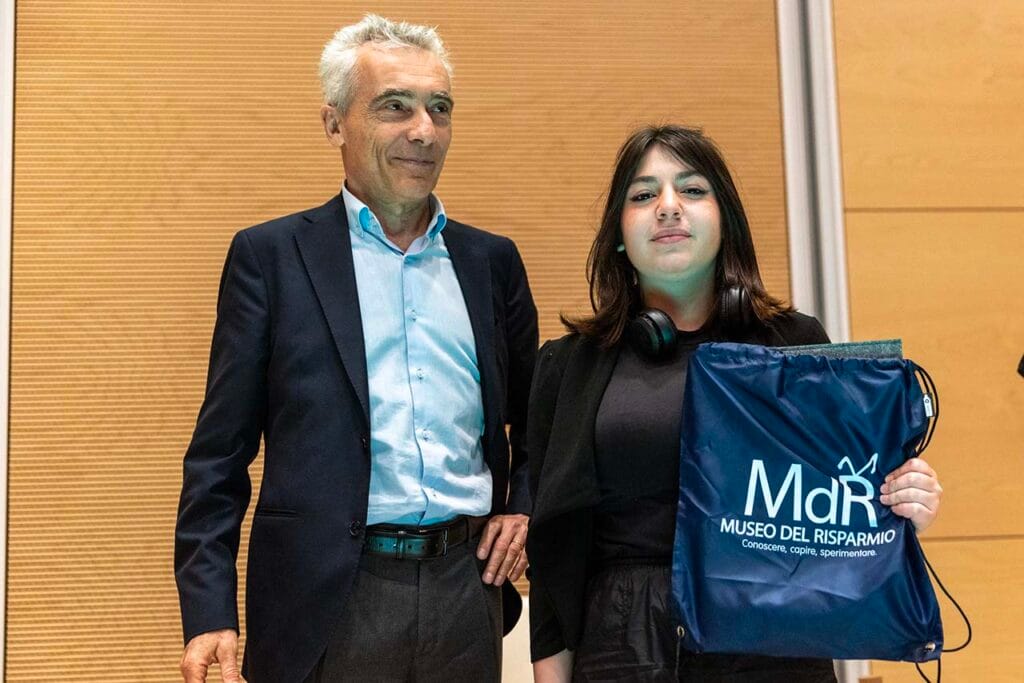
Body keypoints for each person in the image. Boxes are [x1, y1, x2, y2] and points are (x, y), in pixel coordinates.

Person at [174, 14, 537, 683]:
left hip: (466, 592)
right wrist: (208, 610)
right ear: (335, 123)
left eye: (439, 108)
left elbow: (534, 417)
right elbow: (218, 456)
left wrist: (522, 506)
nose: (423, 131)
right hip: (328, 597)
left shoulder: (491, 263)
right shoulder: (271, 259)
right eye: (395, 107)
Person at [525, 125, 943, 682]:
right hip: (625, 641)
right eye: (644, 195)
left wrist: (906, 501)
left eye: (693, 190)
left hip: (771, 635)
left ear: (726, 222)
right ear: (619, 236)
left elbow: (851, 502)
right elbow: (553, 554)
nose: (668, 207)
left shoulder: (795, 345)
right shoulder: (568, 366)